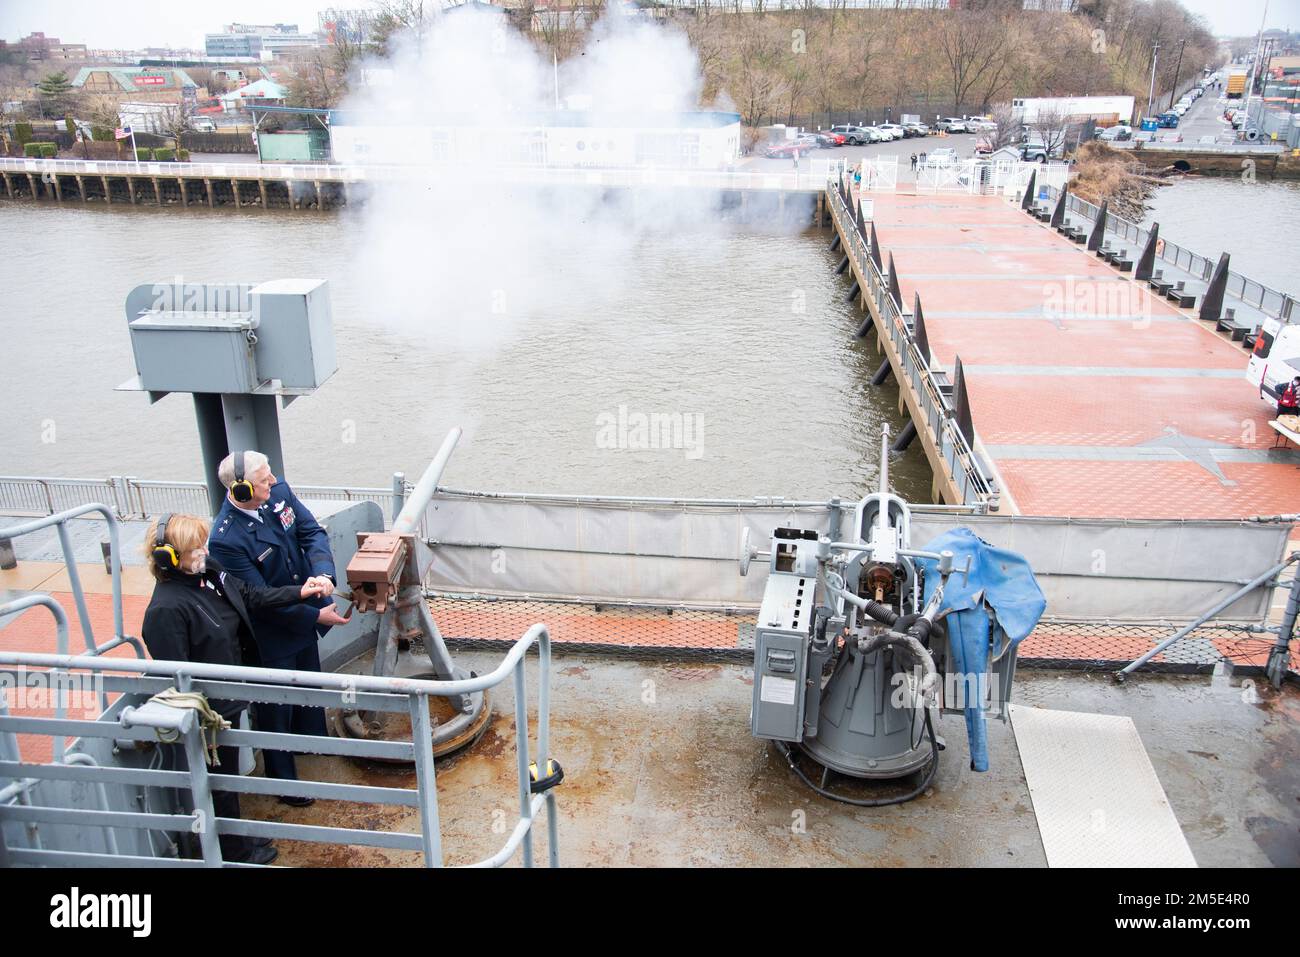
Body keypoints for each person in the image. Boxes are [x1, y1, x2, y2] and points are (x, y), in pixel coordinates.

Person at [141, 512, 342, 864]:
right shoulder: (166, 609)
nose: (203, 552)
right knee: (216, 784)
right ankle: (233, 853)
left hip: (231, 698)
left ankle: (236, 840)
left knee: (228, 779)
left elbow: (249, 594)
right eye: (194, 549)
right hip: (209, 715)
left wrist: (299, 591)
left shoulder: (208, 574)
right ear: (168, 559)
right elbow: (176, 675)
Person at [207, 450, 346, 800]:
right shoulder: (226, 539)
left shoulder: (278, 493)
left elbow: (310, 533)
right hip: (270, 634)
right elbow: (257, 598)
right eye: (263, 479)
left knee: (311, 686)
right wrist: (314, 614)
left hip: (303, 614)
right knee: (276, 708)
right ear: (240, 490)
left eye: (270, 474)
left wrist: (323, 572)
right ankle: (284, 782)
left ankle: (313, 742)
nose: (272, 482)